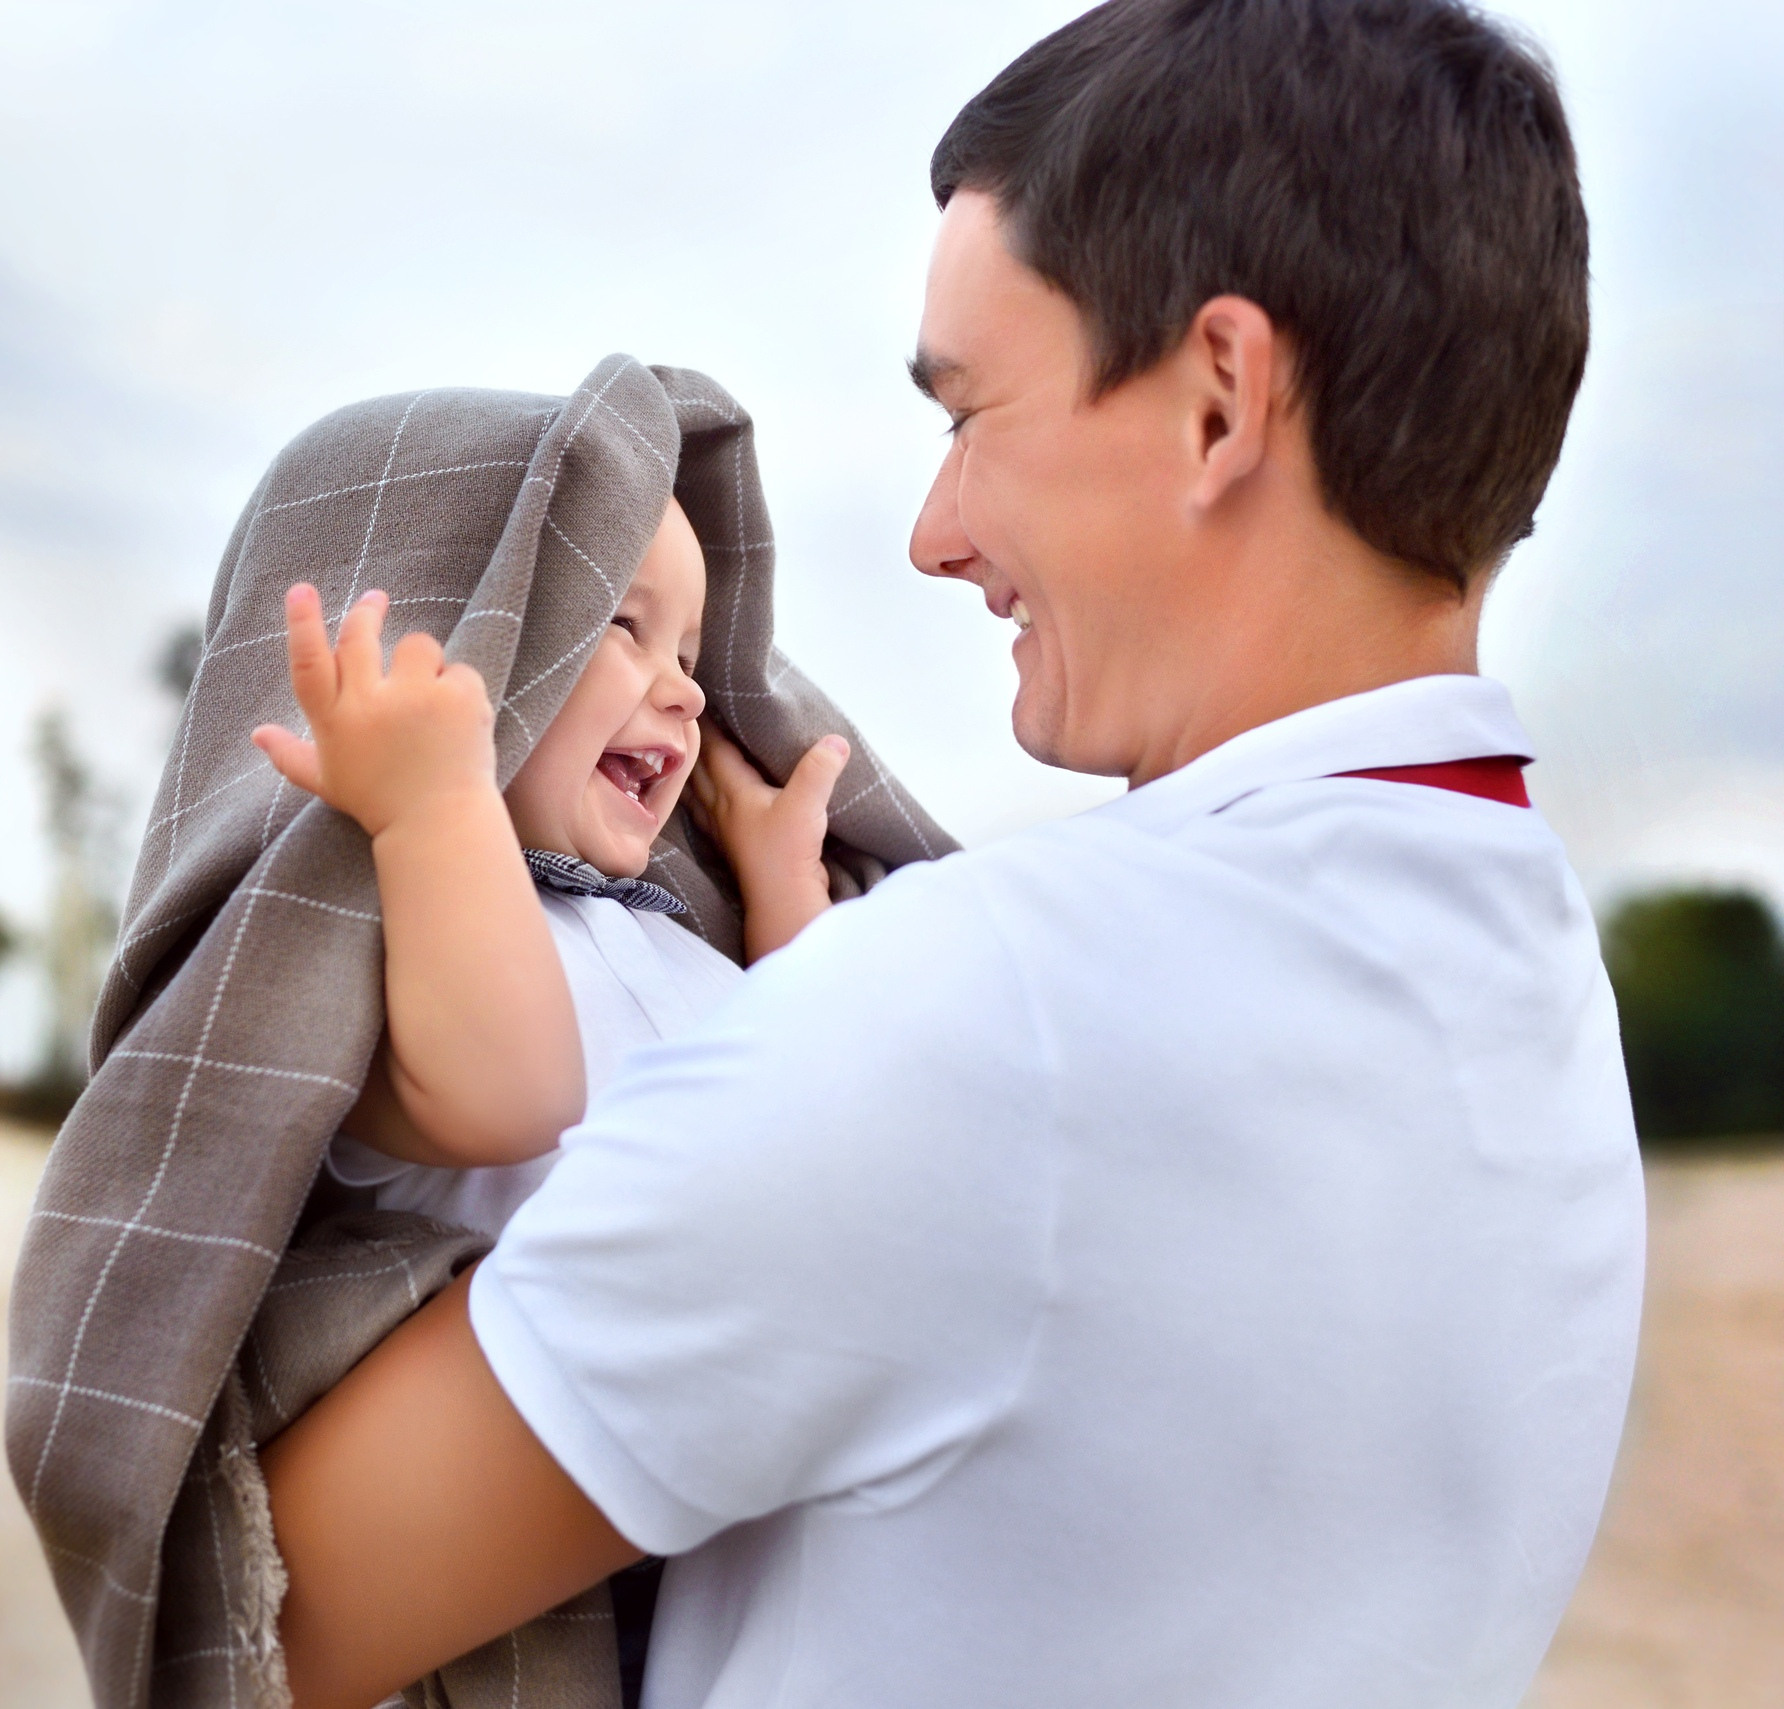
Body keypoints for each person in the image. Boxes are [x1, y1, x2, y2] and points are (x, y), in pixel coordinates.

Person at [255, 2, 1649, 1706]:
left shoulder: (996, 1014)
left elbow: (262, 1601)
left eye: (970, 409)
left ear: (1219, 402)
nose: (934, 534)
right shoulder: (1549, 1029)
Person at [248, 499, 849, 1242]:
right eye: (626, 625)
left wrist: (782, 887)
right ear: (476, 635)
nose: (690, 693)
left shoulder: (682, 936)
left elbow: (840, 1083)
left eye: (689, 659)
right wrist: (433, 802)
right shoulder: (385, 948)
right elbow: (519, 1104)